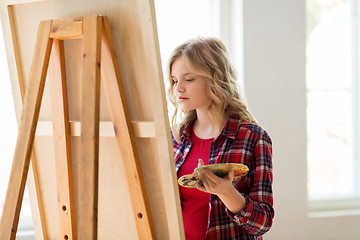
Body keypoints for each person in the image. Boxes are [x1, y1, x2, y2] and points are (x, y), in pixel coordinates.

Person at [167, 37, 274, 240]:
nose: (178, 88)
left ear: (215, 78)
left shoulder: (253, 137)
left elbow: (262, 223)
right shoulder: (175, 137)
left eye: (188, 79)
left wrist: (227, 193)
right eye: (174, 80)